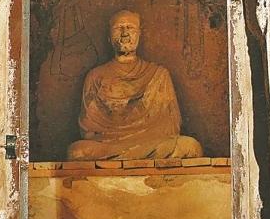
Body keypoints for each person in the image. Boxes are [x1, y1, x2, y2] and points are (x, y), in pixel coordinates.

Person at [67, 10, 203, 160]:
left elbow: (172, 125)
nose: (125, 33)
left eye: (130, 28)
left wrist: (145, 137)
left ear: (139, 34)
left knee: (190, 146)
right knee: (77, 151)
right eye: (118, 28)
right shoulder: (96, 76)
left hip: (150, 143)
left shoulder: (159, 74)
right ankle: (132, 155)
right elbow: (88, 128)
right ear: (109, 38)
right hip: (110, 145)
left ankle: (128, 156)